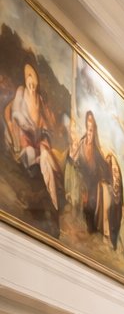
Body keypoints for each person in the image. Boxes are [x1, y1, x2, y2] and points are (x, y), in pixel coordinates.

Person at [4, 62, 61, 211]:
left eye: (34, 84)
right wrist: (26, 126)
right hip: (24, 135)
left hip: (37, 137)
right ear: (26, 81)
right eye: (29, 83)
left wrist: (44, 136)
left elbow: (44, 122)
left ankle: (53, 198)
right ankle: (32, 181)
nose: (32, 87)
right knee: (29, 153)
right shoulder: (21, 92)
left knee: (46, 157)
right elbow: (15, 112)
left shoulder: (39, 100)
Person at [66, 110, 116, 236]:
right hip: (81, 180)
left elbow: (104, 167)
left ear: (94, 132)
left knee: (93, 201)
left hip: (93, 185)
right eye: (88, 129)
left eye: (91, 130)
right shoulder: (81, 145)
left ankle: (92, 228)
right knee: (82, 196)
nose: (89, 133)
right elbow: (73, 159)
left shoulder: (96, 151)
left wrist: (110, 169)